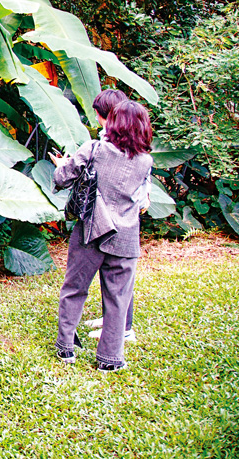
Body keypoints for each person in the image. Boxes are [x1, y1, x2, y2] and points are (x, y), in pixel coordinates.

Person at [49, 100, 154, 371]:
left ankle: (65, 348)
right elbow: (143, 199)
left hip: (90, 232)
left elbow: (63, 178)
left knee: (75, 288)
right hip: (126, 237)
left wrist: (60, 164)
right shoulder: (146, 161)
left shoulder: (95, 149)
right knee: (118, 299)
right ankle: (109, 360)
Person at [83, 89, 141, 342]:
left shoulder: (120, 139)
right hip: (112, 213)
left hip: (118, 215)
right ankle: (112, 319)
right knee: (112, 273)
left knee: (119, 275)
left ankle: (123, 328)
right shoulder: (113, 136)